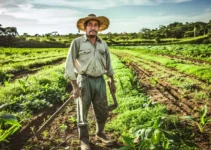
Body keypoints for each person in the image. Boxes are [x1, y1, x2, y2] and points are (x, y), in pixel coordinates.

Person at [65, 14, 116, 150]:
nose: (93, 27)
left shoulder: (103, 44)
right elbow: (69, 64)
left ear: (98, 28)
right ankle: (84, 140)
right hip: (84, 80)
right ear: (85, 27)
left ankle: (100, 133)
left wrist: (112, 80)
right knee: (83, 111)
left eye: (95, 25)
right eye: (90, 25)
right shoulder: (77, 42)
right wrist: (74, 85)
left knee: (102, 110)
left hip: (100, 80)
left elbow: (108, 63)